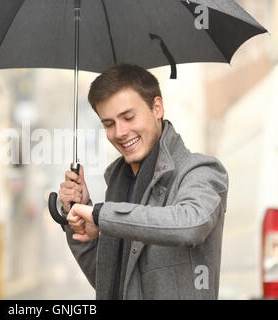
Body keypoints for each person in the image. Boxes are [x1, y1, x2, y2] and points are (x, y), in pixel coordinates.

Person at [59, 63, 229, 300]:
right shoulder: (119, 186)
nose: (119, 132)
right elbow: (110, 282)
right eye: (109, 124)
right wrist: (78, 219)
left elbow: (191, 224)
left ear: (157, 107)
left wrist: (101, 215)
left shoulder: (200, 171)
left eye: (128, 117)